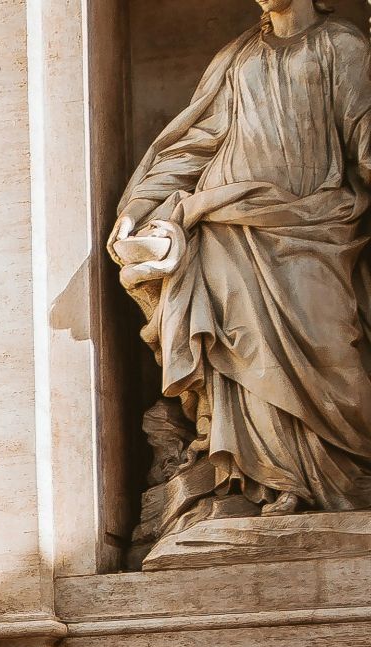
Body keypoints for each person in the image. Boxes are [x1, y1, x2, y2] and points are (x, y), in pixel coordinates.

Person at [112, 0, 371, 534]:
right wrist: (137, 210)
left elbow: (363, 137)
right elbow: (192, 148)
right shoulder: (237, 58)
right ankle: (260, 482)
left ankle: (340, 480)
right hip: (226, 230)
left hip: (314, 225)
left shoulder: (342, 46)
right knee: (240, 352)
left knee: (331, 346)